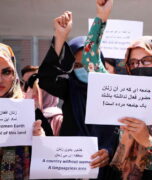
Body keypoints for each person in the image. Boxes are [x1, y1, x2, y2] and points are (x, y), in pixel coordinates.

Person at [79, 1, 152, 179]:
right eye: (133, 62)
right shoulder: (124, 94)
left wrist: (148, 141)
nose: (139, 66)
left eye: (146, 60)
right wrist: (102, 17)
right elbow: (89, 60)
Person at [37, 8, 119, 179]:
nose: (85, 70)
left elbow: (121, 130)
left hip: (106, 170)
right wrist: (60, 37)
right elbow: (46, 79)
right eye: (79, 65)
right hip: (72, 168)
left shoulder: (113, 90)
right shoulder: (70, 88)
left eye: (89, 65)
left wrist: (109, 151)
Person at [0, 43, 45, 179]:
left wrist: (39, 140)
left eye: (6, 72)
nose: (0, 79)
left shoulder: (28, 109)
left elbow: (45, 161)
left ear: (14, 74)